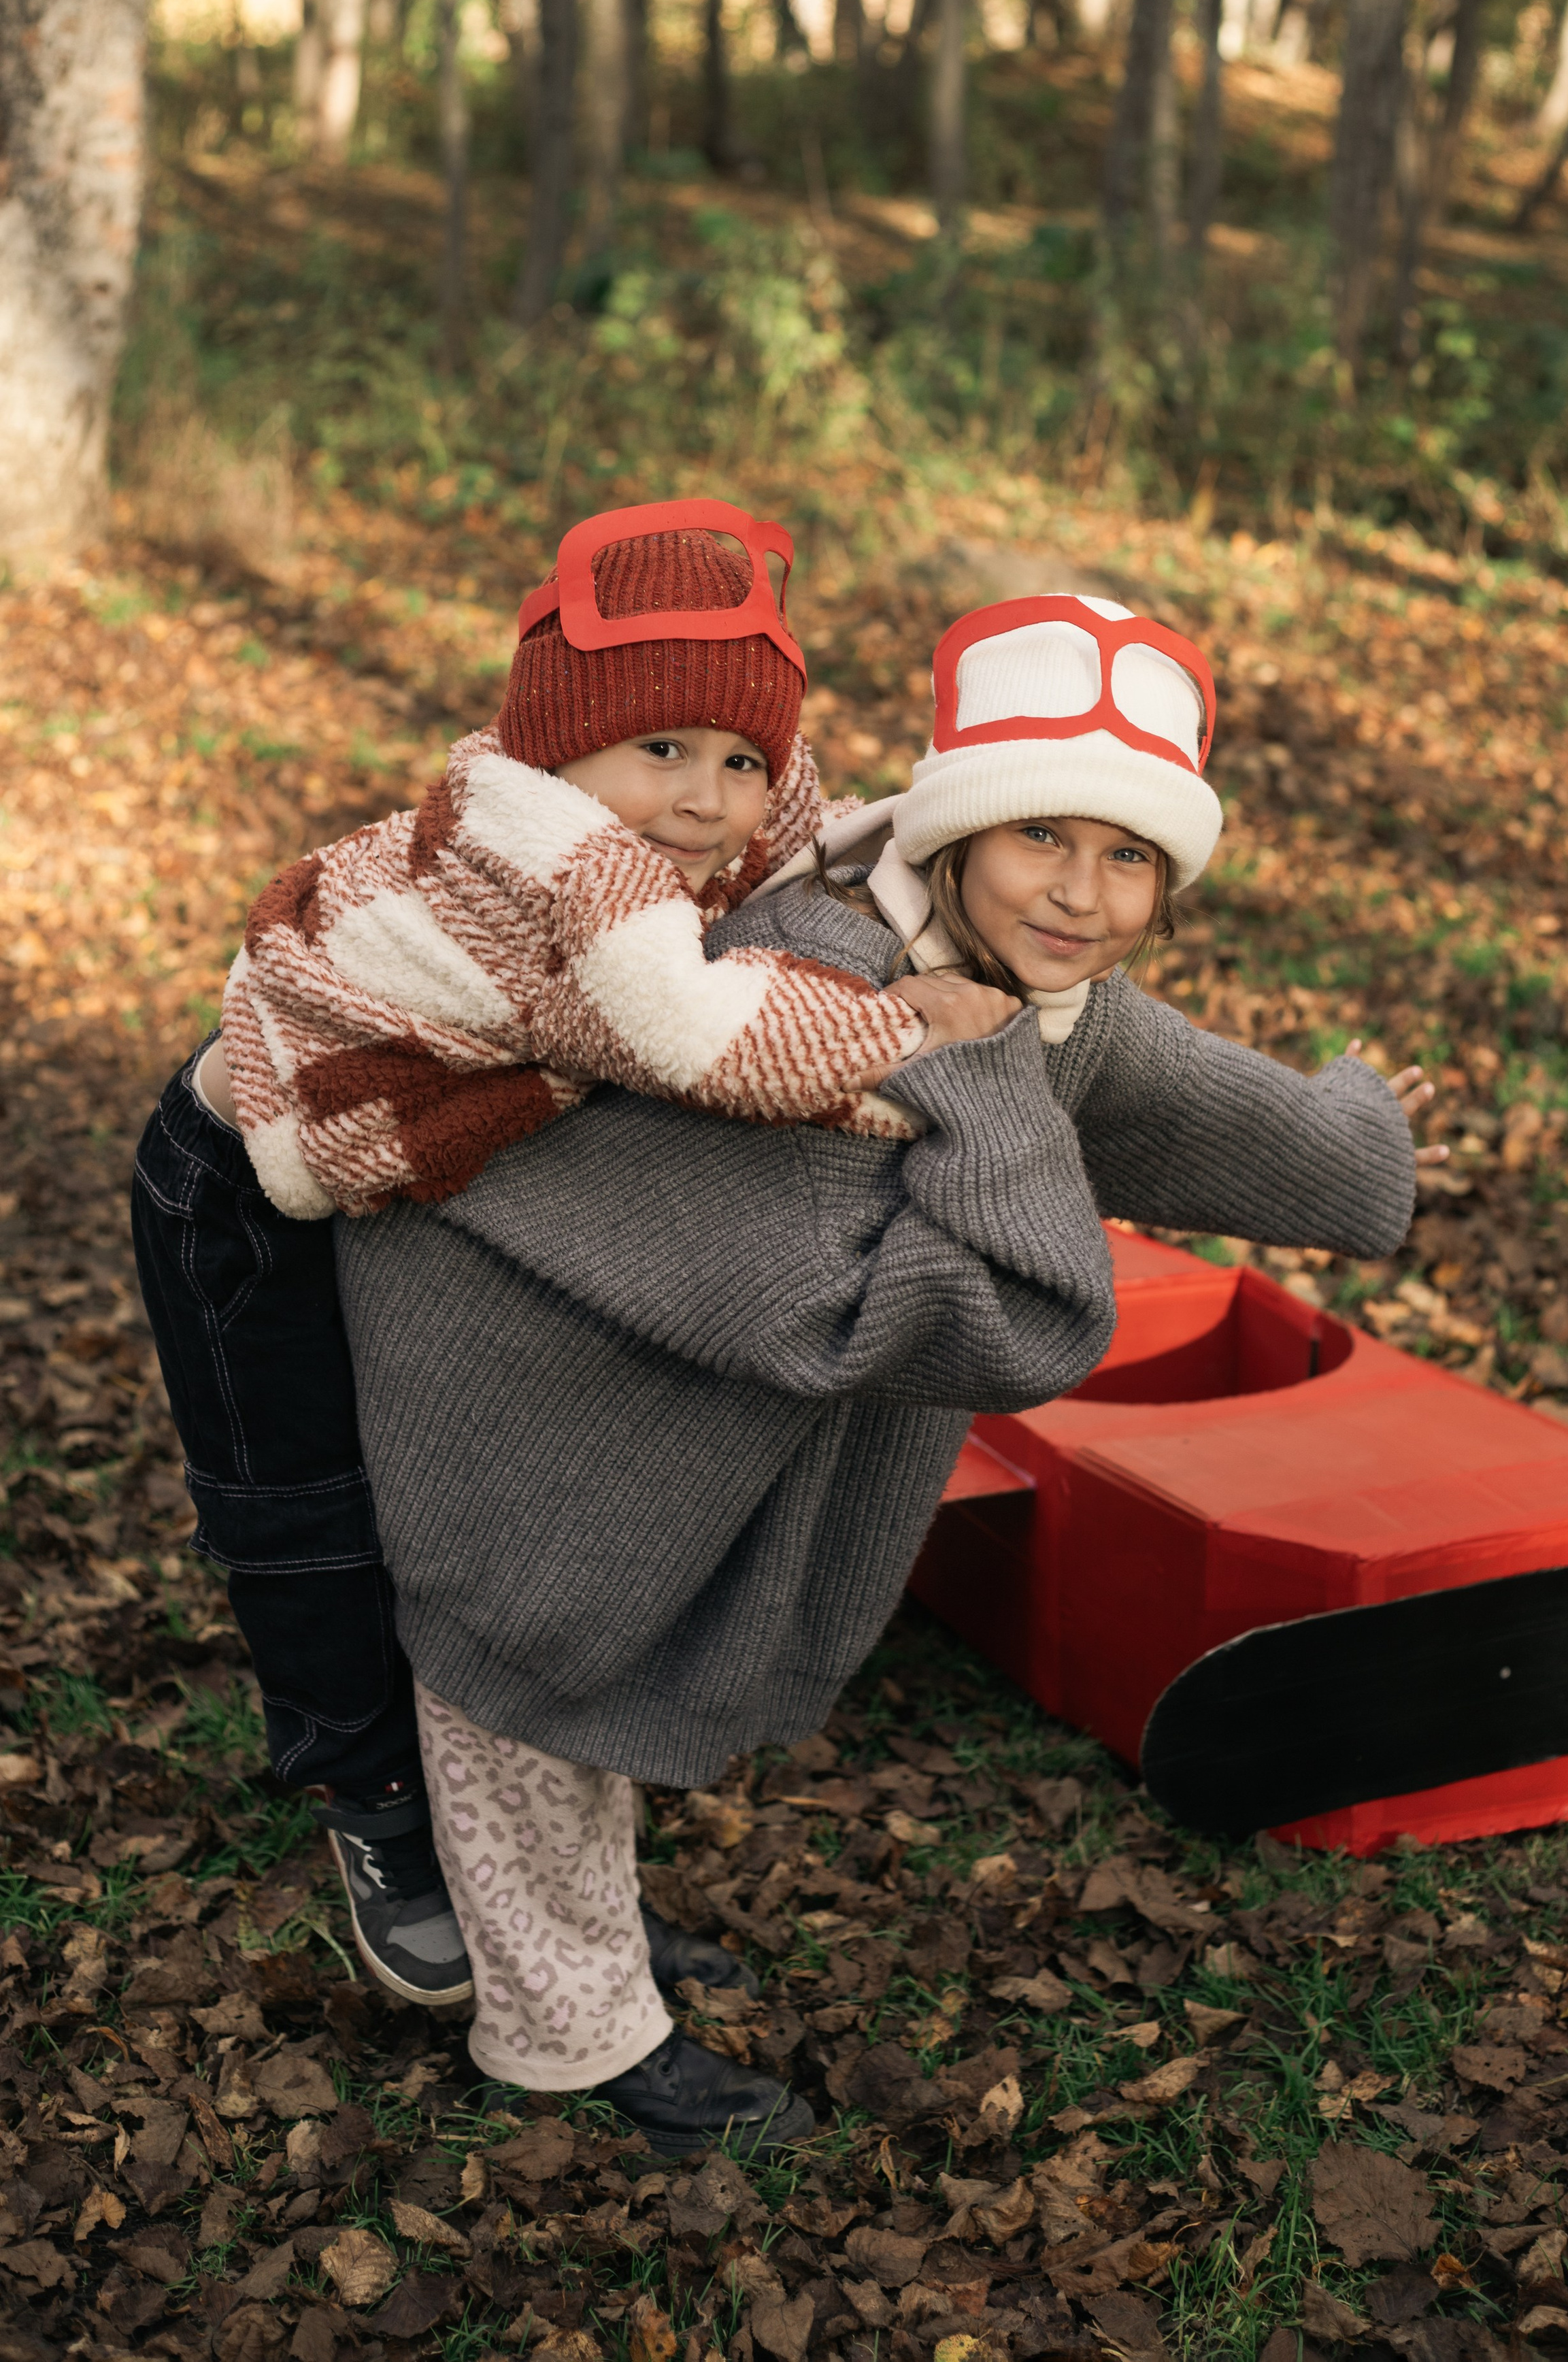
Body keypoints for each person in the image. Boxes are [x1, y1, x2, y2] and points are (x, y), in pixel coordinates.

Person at [332, 588, 1443, 2156]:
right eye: (1042, 841)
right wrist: (972, 1076)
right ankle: (567, 2042)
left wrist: (1351, 1152)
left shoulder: (980, 960)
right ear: (957, 832)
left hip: (641, 1382)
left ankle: (580, 1947)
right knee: (531, 1679)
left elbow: (1140, 1078)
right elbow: (1000, 1306)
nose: (1080, 894)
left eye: (1128, 858)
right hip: (513, 1347)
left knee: (585, 1699)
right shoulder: (827, 995)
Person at [130, 501, 1006, 2016]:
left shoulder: (707, 801)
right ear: (559, 752)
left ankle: (506, 1860)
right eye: (658, 752)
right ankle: (377, 1812)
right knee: (304, 1503)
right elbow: (702, 1035)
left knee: (420, 1485)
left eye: (732, 760)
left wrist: (940, 838)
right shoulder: (563, 872)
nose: (702, 799)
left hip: (412, 1142)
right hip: (239, 1183)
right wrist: (904, 1027)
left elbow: (808, 829)